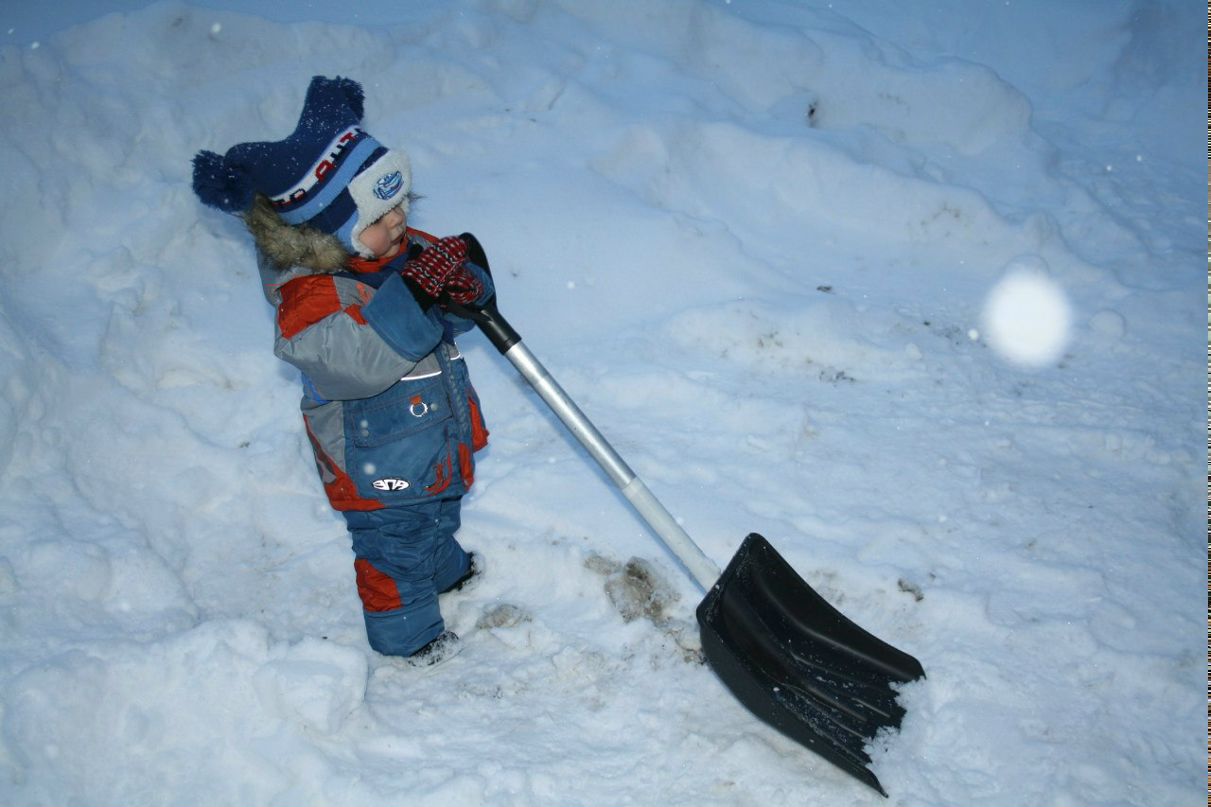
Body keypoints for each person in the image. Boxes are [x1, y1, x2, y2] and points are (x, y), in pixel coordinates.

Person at [191, 76, 492, 666]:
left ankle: (440, 568)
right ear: (330, 229)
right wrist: (419, 301)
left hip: (430, 433)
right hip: (374, 452)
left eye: (403, 202)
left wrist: (466, 286)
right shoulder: (309, 297)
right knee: (391, 544)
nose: (402, 219)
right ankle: (407, 639)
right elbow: (355, 363)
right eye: (383, 214)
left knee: (437, 510)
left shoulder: (398, 251)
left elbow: (452, 311)